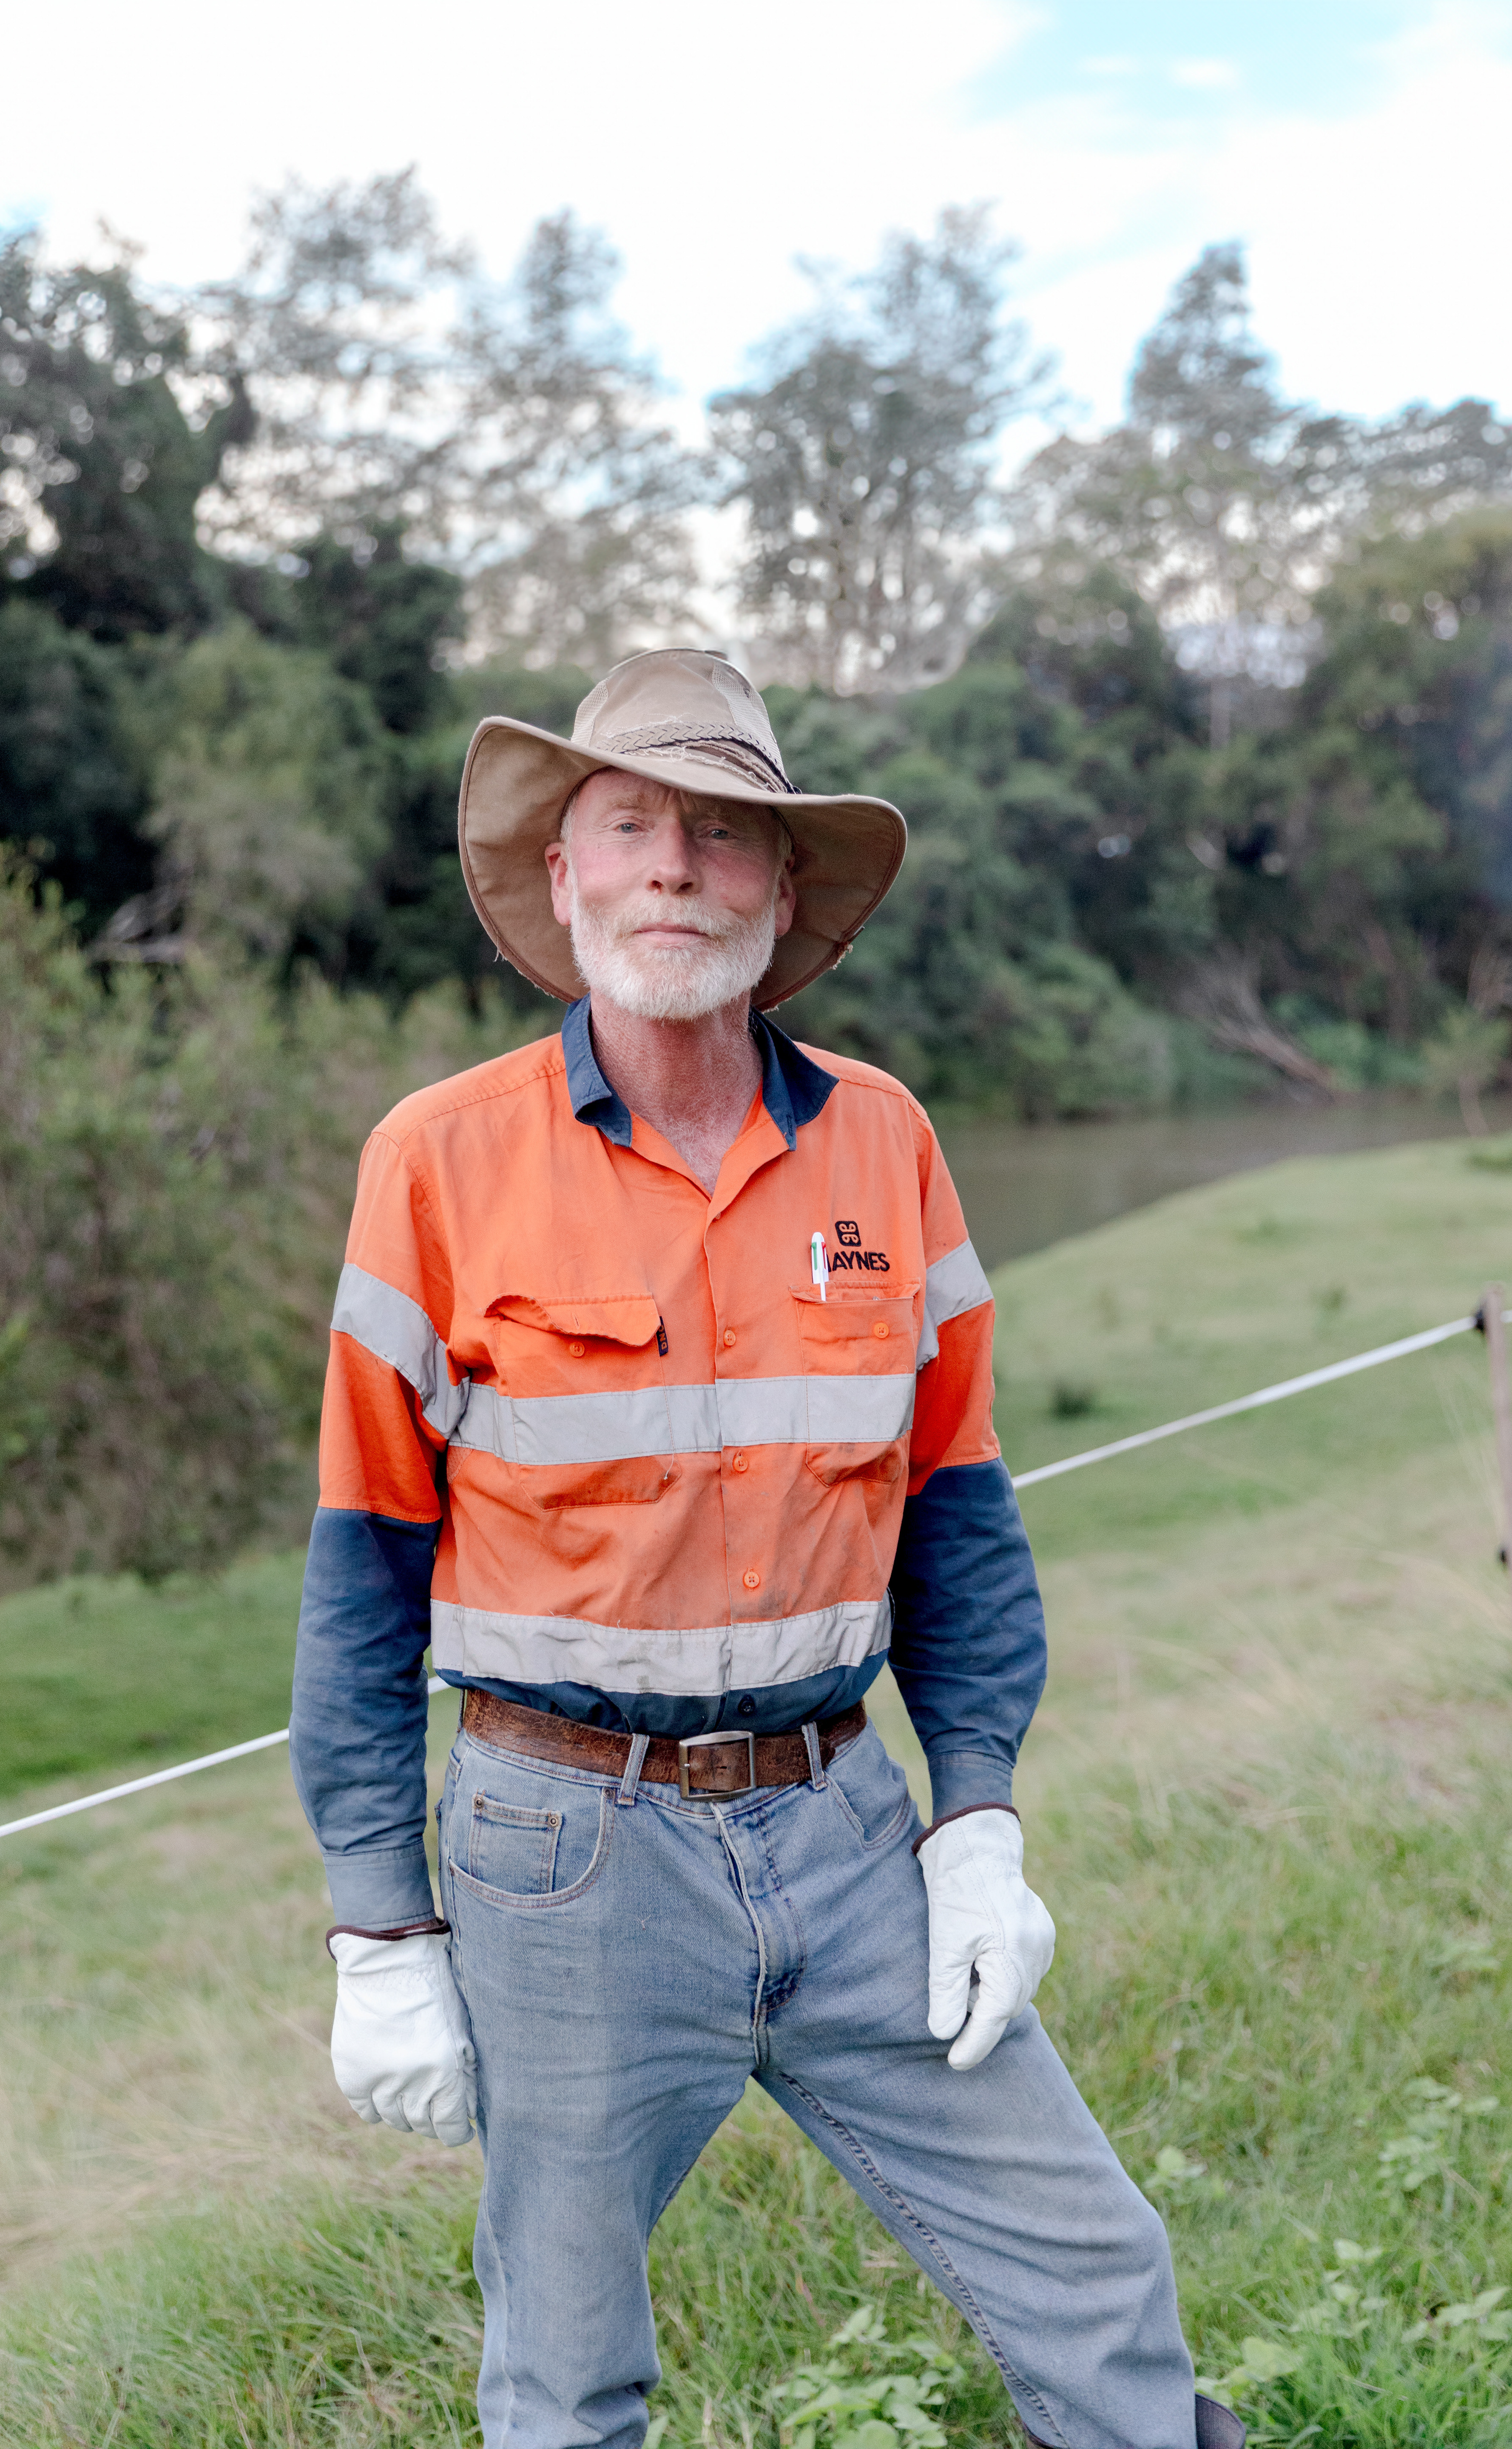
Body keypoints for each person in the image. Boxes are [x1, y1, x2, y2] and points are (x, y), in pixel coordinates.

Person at [290, 651, 1241, 2449]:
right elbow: (362, 1570)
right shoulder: (434, 1161)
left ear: (785, 887)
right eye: (630, 827)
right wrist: (377, 1925)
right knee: (567, 2376)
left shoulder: (885, 1140)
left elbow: (957, 1515)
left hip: (846, 1823)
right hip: (562, 1854)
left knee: (1095, 2265)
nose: (675, 866)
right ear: (564, 874)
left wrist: (977, 1817)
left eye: (724, 833)